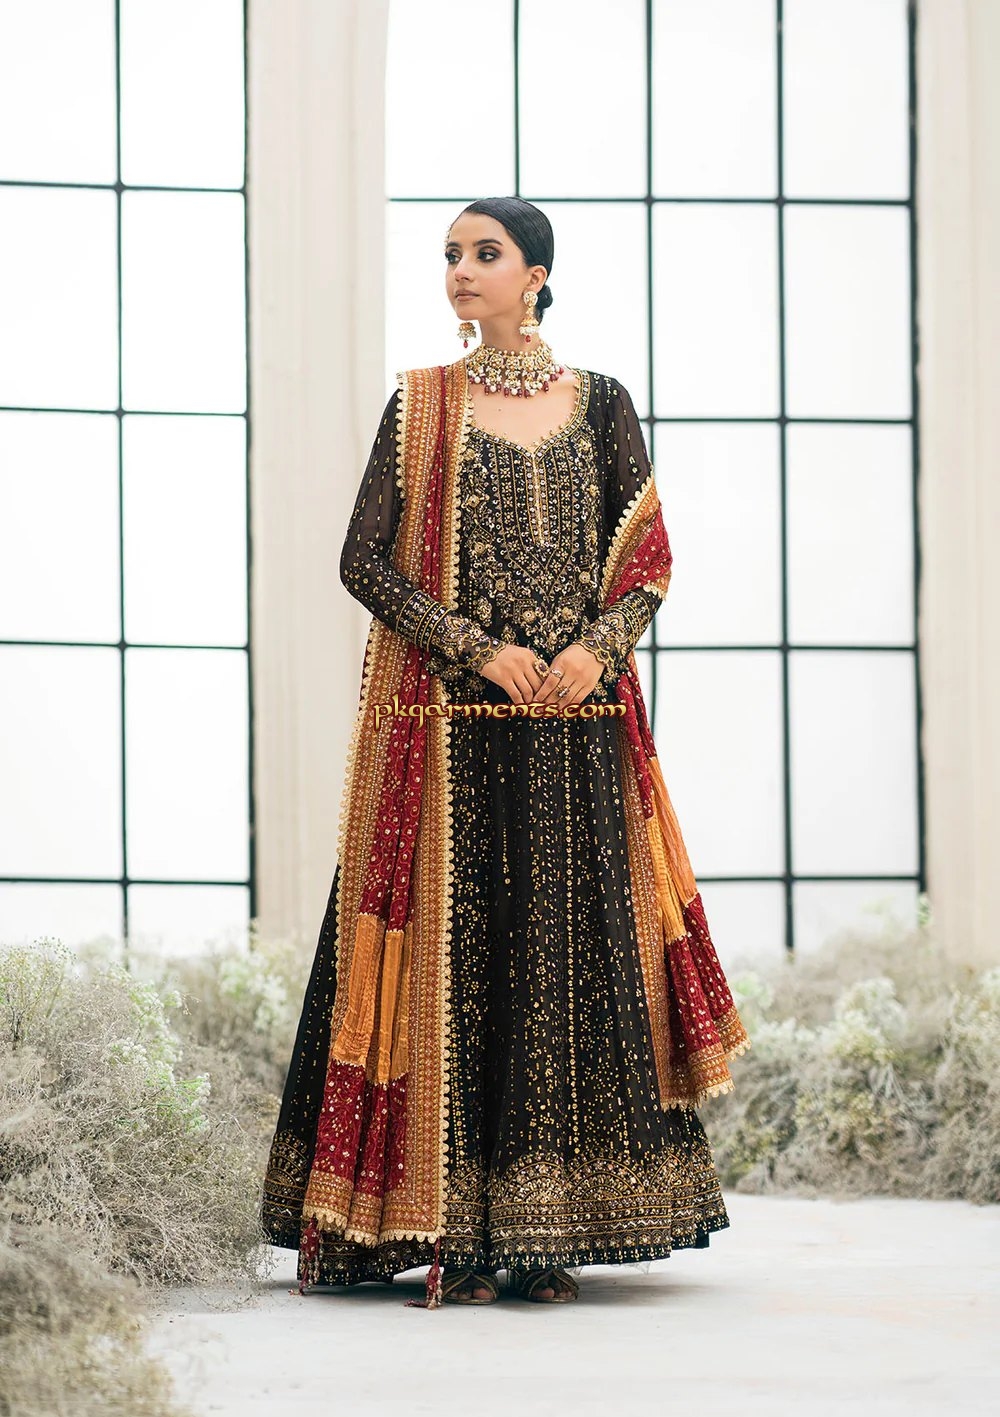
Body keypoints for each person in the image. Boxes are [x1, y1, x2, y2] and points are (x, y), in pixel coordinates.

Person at [261, 196, 750, 1309]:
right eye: (450, 255)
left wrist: (594, 649)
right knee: (457, 976)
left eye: (485, 254)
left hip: (574, 738)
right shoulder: (420, 404)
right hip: (452, 746)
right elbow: (363, 561)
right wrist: (473, 648)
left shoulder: (603, 402)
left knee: (560, 970)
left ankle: (543, 1238)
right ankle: (455, 1236)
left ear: (535, 276)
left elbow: (648, 562)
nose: (461, 271)